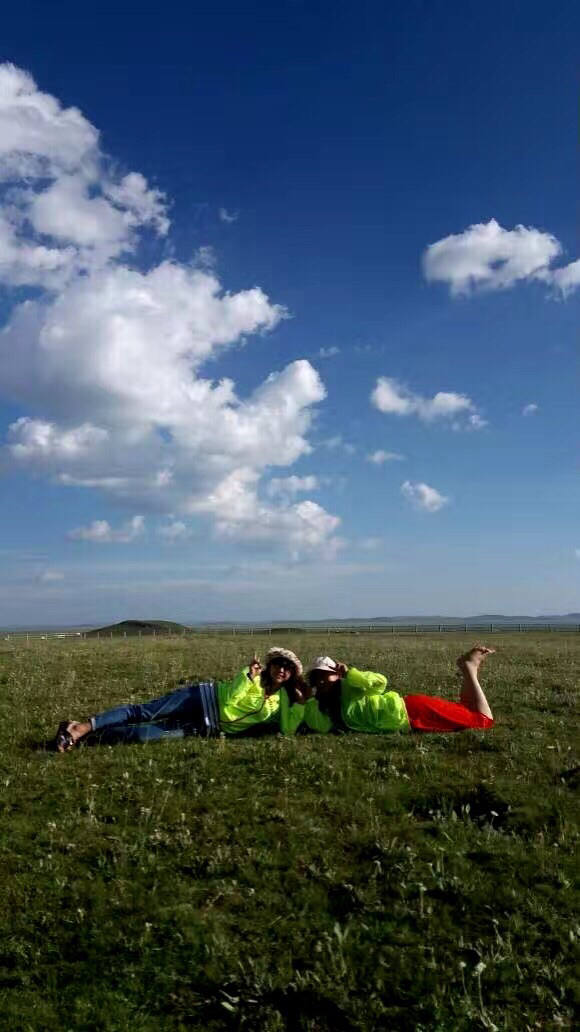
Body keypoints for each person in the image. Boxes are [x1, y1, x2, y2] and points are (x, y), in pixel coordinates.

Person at [55, 646, 306, 751]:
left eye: (287, 667)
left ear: (292, 674)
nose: (281, 669)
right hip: (200, 699)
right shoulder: (251, 676)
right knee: (144, 713)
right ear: (270, 665)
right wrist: (248, 678)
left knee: (143, 735)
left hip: (206, 726)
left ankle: (89, 738)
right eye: (278, 664)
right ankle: (80, 728)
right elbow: (230, 700)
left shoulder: (280, 701)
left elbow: (285, 728)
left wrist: (300, 703)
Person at [280, 646, 496, 736]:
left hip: (410, 710)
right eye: (317, 677)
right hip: (409, 722)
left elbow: (380, 682)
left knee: (482, 721)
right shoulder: (320, 706)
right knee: (466, 712)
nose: (323, 679)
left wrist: (351, 674)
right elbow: (322, 726)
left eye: (327, 674)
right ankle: (467, 668)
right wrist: (303, 702)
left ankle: (469, 669)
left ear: (337, 674)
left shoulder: (350, 685)